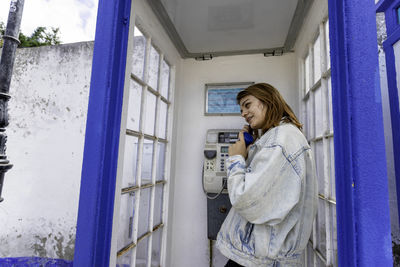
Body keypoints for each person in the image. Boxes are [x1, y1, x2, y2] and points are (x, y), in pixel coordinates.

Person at [216, 83, 317, 267]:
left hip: (260, 258)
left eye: (248, 105)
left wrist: (236, 159)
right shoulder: (277, 138)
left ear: (268, 101)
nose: (243, 113)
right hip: (260, 255)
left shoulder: (280, 140)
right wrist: (250, 151)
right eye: (241, 109)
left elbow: (246, 199)